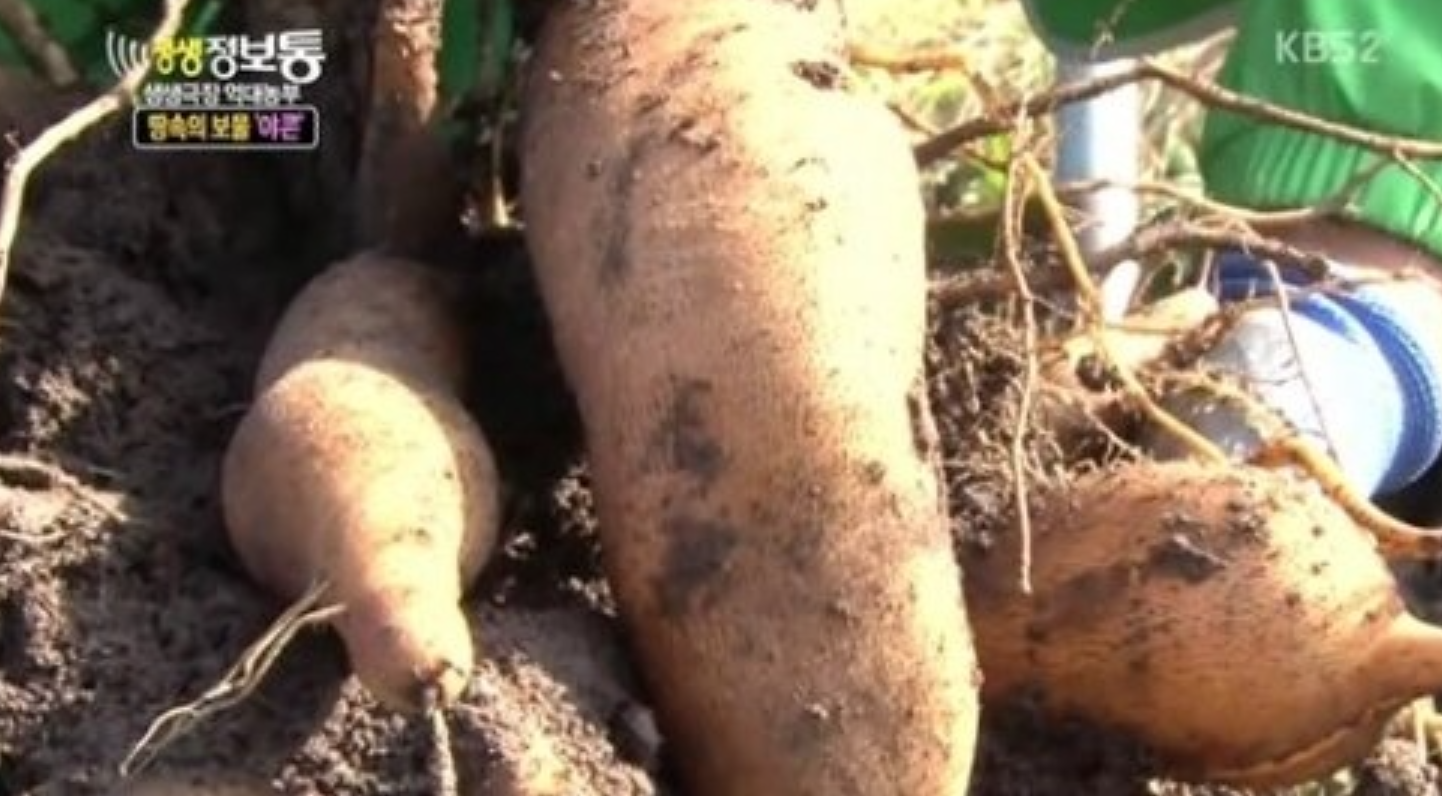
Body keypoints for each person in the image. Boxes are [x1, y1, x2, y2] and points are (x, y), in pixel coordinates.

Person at [1022, 0, 1442, 515]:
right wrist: (1095, 331)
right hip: (1247, 297)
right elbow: (1092, 25)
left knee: (1245, 420)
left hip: (1358, 326)